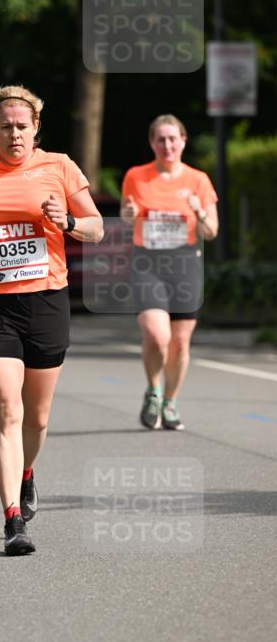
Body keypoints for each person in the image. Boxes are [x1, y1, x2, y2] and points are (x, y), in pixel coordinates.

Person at [0, 85, 103, 555]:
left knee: (38, 416)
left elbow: (96, 226)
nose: (14, 135)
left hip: (47, 300)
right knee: (8, 408)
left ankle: (27, 472)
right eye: (5, 126)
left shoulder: (60, 166)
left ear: (36, 129)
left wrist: (67, 221)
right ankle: (12, 518)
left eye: (22, 127)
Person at [121, 114, 218, 431]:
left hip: (185, 264)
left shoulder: (198, 180)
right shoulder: (136, 175)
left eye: (173, 138)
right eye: (160, 139)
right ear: (152, 143)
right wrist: (129, 213)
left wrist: (198, 210)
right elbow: (126, 214)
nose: (167, 145)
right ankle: (153, 389)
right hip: (148, 263)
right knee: (158, 336)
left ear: (183, 141)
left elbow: (212, 229)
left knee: (179, 343)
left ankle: (170, 401)